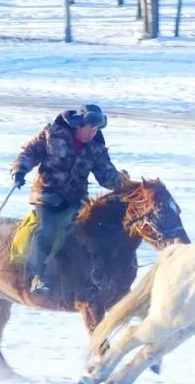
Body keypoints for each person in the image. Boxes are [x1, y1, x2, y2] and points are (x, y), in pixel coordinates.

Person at [10, 104, 126, 294]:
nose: (92, 133)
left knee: (90, 232)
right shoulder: (53, 134)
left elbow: (106, 175)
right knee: (46, 230)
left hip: (77, 199)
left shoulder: (96, 147)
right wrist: (20, 169)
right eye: (90, 128)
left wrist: (127, 185)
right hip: (47, 195)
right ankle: (36, 276)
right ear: (78, 125)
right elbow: (29, 152)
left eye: (96, 129)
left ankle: (89, 275)